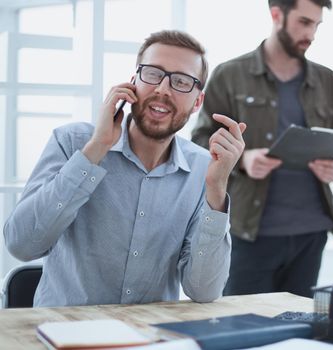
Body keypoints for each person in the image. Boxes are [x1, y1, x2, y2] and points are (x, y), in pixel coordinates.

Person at [3, 30, 246, 307]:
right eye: (153, 74)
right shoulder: (72, 142)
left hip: (150, 337)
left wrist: (216, 191)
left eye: (181, 81)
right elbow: (22, 245)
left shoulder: (204, 168)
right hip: (64, 334)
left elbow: (203, 291)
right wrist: (95, 150)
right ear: (133, 83)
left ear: (197, 103)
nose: (163, 89)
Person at [192, 0, 333, 298]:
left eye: (316, 24)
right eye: (304, 22)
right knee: (242, 329)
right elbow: (200, 142)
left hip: (311, 233)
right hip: (249, 233)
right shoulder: (229, 74)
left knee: (299, 336)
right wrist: (242, 159)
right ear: (276, 15)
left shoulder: (327, 80)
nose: (311, 33)